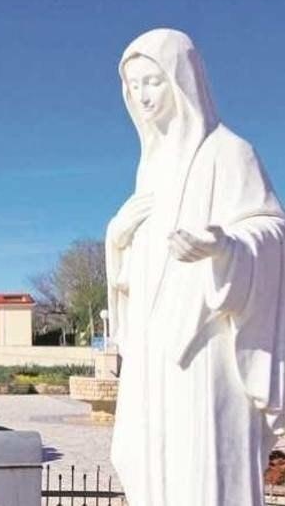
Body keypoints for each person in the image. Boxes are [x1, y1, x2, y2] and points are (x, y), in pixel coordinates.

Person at [107, 29, 285, 505]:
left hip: (206, 344)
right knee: (156, 468)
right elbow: (136, 267)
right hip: (153, 350)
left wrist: (224, 247)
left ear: (182, 80)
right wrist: (116, 238)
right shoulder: (149, 166)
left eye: (154, 81)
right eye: (134, 85)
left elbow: (271, 230)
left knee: (204, 465)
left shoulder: (230, 152)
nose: (143, 96)